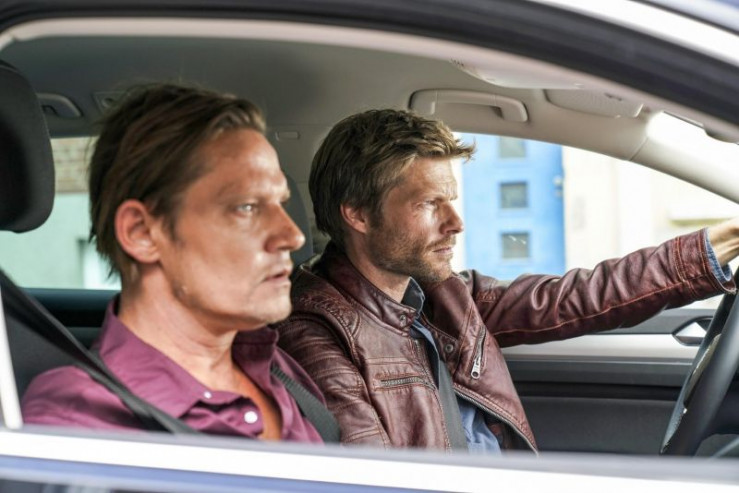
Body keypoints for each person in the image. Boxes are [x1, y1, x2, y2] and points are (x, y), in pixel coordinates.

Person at [275, 108, 738, 452]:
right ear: (357, 214)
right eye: (429, 204)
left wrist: (720, 244)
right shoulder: (315, 334)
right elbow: (371, 479)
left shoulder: (440, 294)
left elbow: (574, 298)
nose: (456, 223)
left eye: (452, 200)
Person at [22, 84, 325, 443]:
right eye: (246, 207)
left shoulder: (278, 368)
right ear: (142, 233)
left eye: (281, 203)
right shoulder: (78, 429)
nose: (293, 236)